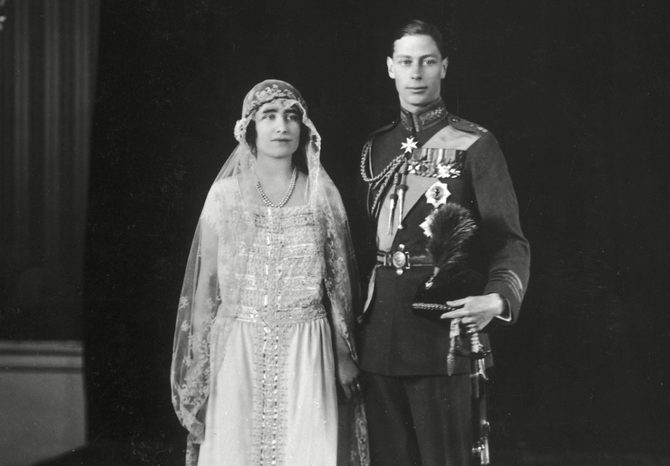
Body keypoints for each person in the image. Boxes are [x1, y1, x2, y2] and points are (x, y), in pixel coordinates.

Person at [354, 20, 530, 465]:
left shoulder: (475, 144)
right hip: (379, 336)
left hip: (443, 335)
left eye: (427, 62)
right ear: (390, 68)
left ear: (443, 68)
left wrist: (497, 298)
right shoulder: (377, 147)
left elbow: (509, 239)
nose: (417, 73)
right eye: (407, 62)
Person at [171, 79, 369, 466]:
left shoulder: (321, 195)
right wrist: (201, 360)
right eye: (270, 116)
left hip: (307, 345)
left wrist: (344, 354)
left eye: (292, 117)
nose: (282, 126)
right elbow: (206, 285)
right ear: (251, 128)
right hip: (236, 344)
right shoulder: (225, 195)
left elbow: (338, 286)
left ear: (304, 128)